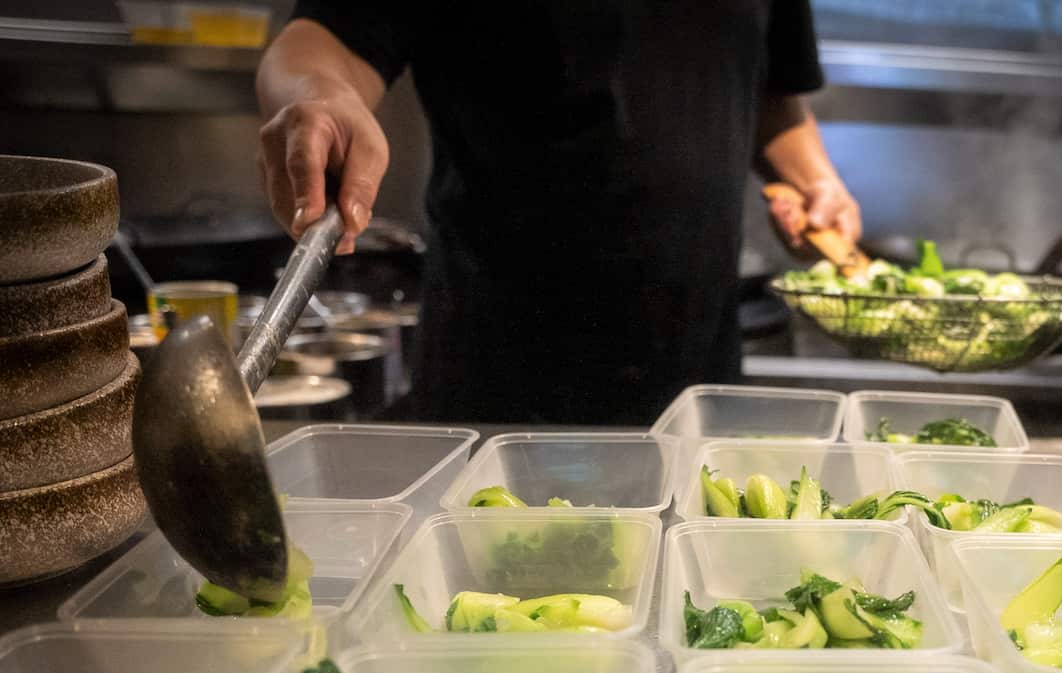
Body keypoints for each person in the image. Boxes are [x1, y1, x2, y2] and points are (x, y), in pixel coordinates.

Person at [257, 2, 860, 424]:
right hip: (503, 392)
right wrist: (322, 99)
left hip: (698, 380)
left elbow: (773, 94)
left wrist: (816, 182)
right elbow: (321, 39)